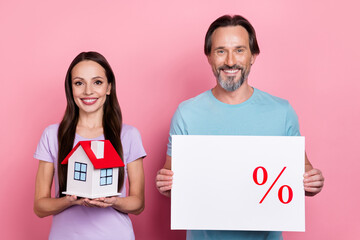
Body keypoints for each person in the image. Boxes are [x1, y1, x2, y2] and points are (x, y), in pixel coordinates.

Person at [156, 15, 324, 239]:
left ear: (253, 56)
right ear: (209, 57)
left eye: (239, 50)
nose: (230, 61)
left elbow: (302, 174)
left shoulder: (281, 112)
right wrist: (164, 183)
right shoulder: (186, 114)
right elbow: (172, 184)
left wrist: (313, 181)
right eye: (221, 51)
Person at [34, 51, 146, 240]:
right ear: (71, 89)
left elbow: (138, 204)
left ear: (109, 87)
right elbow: (40, 206)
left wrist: (113, 201)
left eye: (97, 82)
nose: (88, 91)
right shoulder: (53, 135)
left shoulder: (128, 135)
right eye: (79, 83)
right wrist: (70, 201)